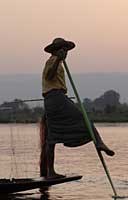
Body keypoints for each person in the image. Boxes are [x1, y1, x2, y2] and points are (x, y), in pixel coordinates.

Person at [41, 38, 115, 179]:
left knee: (51, 138)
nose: (65, 53)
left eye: (66, 50)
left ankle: (50, 171)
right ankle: (99, 142)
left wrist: (59, 61)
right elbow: (50, 76)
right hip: (56, 98)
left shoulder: (57, 62)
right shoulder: (52, 60)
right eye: (62, 50)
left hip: (53, 99)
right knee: (84, 118)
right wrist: (58, 60)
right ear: (56, 51)